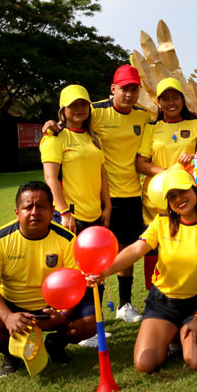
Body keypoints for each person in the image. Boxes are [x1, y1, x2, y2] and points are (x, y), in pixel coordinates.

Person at [89, 169, 197, 373]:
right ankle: (174, 333)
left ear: (194, 190)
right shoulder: (161, 223)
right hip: (162, 303)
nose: (178, 199)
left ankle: (189, 331)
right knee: (145, 364)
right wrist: (105, 271)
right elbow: (136, 249)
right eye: (171, 196)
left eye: (182, 191)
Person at [41, 64, 150, 323]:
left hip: (128, 194)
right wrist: (51, 125)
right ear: (113, 89)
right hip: (91, 204)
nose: (129, 94)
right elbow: (66, 129)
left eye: (134, 89)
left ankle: (124, 305)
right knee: (85, 260)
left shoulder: (143, 116)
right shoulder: (96, 112)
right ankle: (82, 319)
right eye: (124, 89)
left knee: (125, 249)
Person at [0, 181, 97, 376]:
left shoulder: (68, 240)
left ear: (52, 211)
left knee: (91, 322)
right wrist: (7, 316)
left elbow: (77, 282)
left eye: (41, 206)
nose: (34, 212)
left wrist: (63, 314)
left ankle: (55, 344)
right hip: (12, 306)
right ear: (17, 212)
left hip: (54, 307)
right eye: (28, 207)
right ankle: (11, 353)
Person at [136, 78, 197, 225]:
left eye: (175, 98)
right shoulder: (151, 128)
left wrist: (194, 157)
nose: (171, 103)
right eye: (165, 99)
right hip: (158, 195)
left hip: (187, 194)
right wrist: (167, 174)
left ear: (182, 100)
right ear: (158, 103)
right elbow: (140, 163)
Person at [40, 85, 111, 233]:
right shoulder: (54, 138)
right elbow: (50, 177)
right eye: (73, 105)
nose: (79, 109)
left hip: (95, 215)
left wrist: (107, 206)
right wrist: (64, 213)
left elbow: (102, 174)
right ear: (63, 110)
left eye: (83, 104)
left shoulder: (94, 138)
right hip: (70, 218)